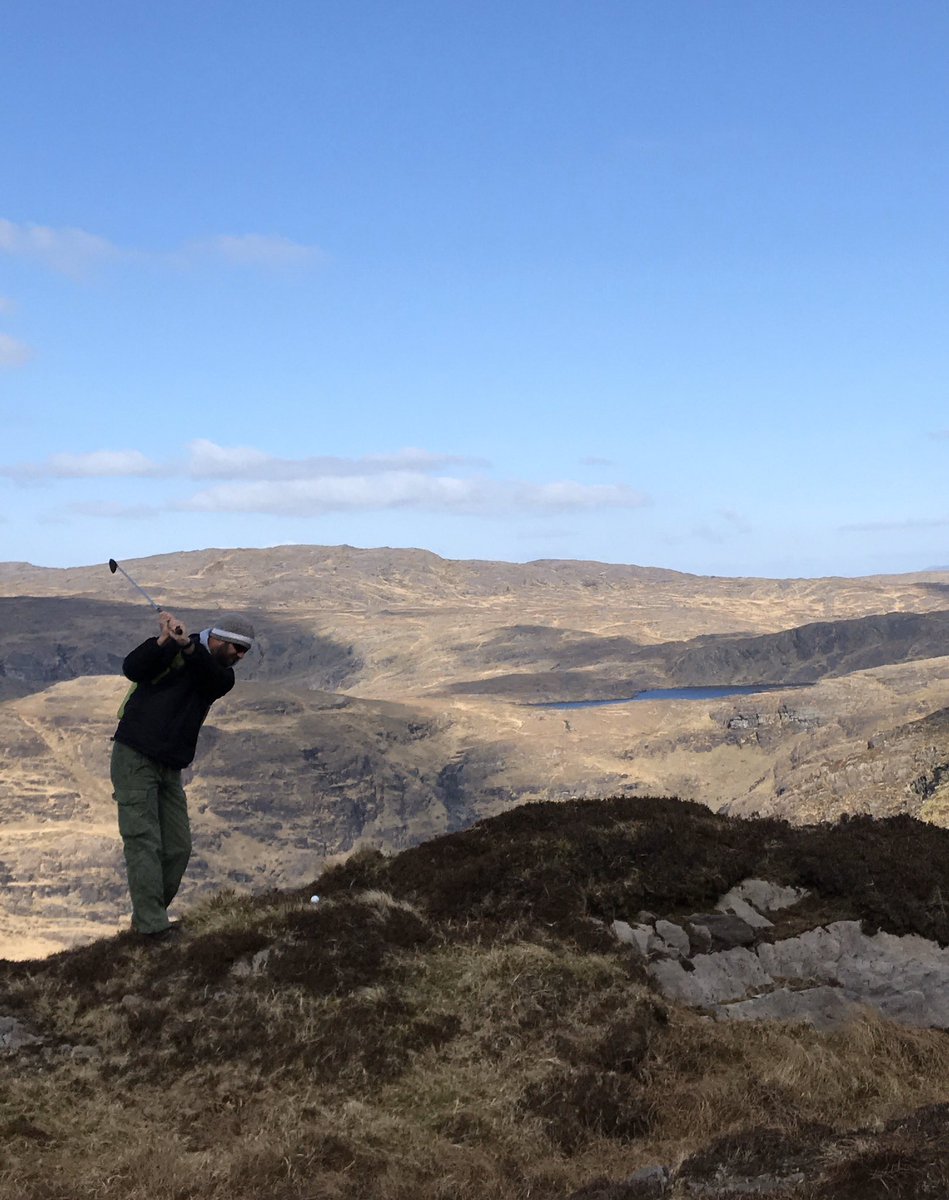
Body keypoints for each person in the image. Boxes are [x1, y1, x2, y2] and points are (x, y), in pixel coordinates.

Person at [110, 610, 255, 939]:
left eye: (245, 651)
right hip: (134, 755)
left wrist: (187, 648)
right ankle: (153, 929)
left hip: (170, 765)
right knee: (143, 841)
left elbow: (209, 678)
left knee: (178, 848)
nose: (240, 656)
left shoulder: (219, 673)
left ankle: (147, 920)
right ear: (216, 638)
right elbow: (133, 669)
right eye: (236, 647)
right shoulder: (174, 647)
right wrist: (163, 641)